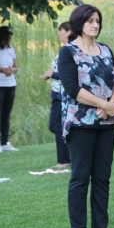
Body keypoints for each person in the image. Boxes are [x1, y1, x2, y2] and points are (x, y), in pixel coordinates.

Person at [58, 4, 114, 228]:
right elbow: (73, 89)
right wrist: (105, 105)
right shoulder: (68, 52)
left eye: (97, 20)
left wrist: (111, 104)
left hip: (106, 123)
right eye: (90, 21)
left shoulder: (105, 50)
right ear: (79, 24)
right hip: (80, 123)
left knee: (102, 177)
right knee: (80, 177)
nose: (95, 24)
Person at [40, 22, 77, 168]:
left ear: (68, 32)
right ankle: (69, 156)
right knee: (54, 126)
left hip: (65, 94)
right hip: (56, 94)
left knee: (59, 127)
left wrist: (53, 74)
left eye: (60, 31)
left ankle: (64, 160)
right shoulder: (63, 49)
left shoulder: (71, 49)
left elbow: (71, 73)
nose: (58, 34)